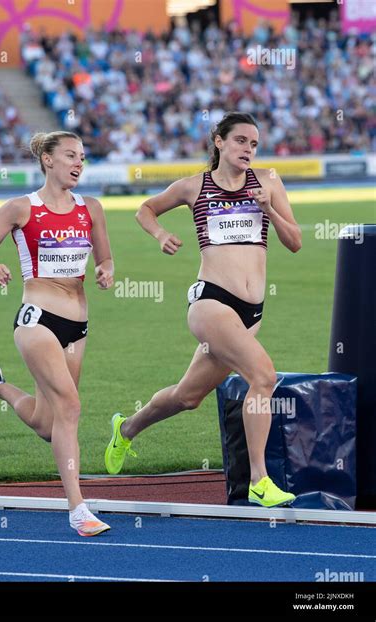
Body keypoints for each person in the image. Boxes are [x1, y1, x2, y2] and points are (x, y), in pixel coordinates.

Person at [105, 112, 302, 508]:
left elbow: (295, 241)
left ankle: (125, 428)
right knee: (263, 377)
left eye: (254, 144)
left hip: (251, 314)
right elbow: (145, 208)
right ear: (219, 141)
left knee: (187, 396)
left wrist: (269, 209)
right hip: (211, 301)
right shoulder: (194, 186)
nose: (248, 149)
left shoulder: (269, 182)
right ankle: (260, 480)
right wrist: (161, 234)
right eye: (241, 141)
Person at [0, 130, 114, 535]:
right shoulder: (20, 209)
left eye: (82, 156)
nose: (78, 163)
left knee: (49, 425)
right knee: (70, 408)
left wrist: (106, 270)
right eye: (70, 155)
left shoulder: (91, 208)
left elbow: (106, 258)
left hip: (77, 325)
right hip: (37, 320)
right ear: (48, 160)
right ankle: (78, 509)